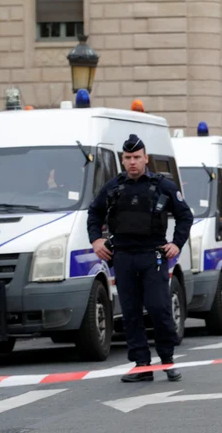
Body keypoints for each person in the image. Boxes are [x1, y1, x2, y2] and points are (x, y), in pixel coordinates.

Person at [87, 134, 194, 383]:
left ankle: (167, 360)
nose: (132, 162)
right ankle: (141, 365)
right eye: (128, 158)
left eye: (137, 157)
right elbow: (94, 212)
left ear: (145, 158)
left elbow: (184, 216)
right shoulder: (113, 187)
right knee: (131, 313)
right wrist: (96, 240)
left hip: (152, 256)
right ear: (122, 160)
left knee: (159, 308)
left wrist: (176, 244)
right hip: (123, 256)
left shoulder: (162, 186)